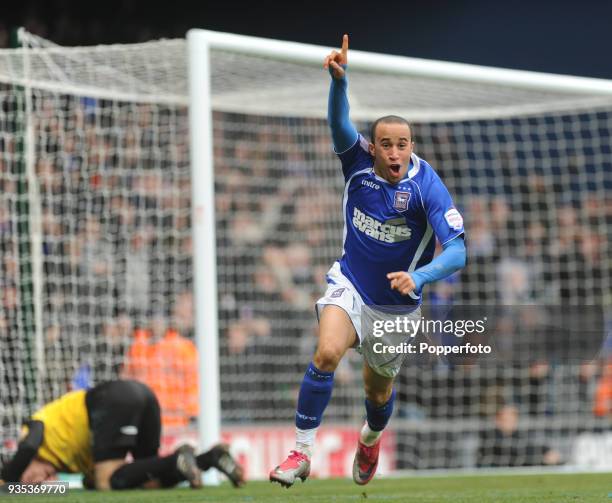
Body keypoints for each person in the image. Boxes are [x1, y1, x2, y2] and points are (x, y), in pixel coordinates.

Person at [269, 34, 467, 487]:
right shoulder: (355, 162)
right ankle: (301, 453)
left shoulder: (426, 186)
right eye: (387, 144)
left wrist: (419, 274)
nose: (396, 152)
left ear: (411, 146)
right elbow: (339, 123)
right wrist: (339, 82)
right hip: (351, 284)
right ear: (373, 147)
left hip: (396, 308)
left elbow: (458, 249)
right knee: (326, 352)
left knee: (377, 395)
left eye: (404, 144)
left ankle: (371, 438)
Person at [0, 380, 244, 490]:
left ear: (20, 464)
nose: (37, 481)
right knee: (147, 480)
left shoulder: (31, 435)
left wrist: (8, 484)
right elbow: (88, 480)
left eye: (28, 478)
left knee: (108, 482)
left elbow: (28, 446)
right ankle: (209, 458)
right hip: (143, 396)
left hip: (111, 398)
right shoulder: (67, 462)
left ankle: (178, 459)